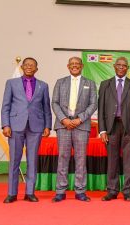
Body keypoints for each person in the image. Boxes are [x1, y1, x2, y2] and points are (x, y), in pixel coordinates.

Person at [1, 57, 52, 203]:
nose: (29, 67)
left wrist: (47, 126)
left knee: (32, 161)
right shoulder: (11, 83)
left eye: (32, 65)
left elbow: (46, 108)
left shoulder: (43, 85)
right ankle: (12, 193)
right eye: (27, 64)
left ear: (37, 69)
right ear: (22, 67)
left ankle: (30, 193)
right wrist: (6, 125)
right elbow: (6, 105)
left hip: (36, 127)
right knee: (14, 161)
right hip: (15, 126)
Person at [51, 57, 97, 202]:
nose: (75, 66)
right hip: (63, 125)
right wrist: (64, 119)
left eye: (77, 64)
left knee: (81, 159)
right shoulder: (60, 82)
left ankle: (80, 191)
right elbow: (55, 102)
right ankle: (60, 191)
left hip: (81, 126)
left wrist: (80, 119)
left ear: (82, 66)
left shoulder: (90, 83)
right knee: (63, 158)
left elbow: (93, 104)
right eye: (72, 64)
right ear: (68, 66)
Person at [98, 57, 130, 201]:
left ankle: (128, 191)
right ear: (114, 66)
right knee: (112, 160)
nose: (121, 67)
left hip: (128, 128)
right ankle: (112, 190)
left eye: (124, 66)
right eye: (119, 65)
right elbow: (101, 110)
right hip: (111, 127)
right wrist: (102, 130)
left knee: (129, 161)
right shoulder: (105, 84)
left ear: (127, 68)